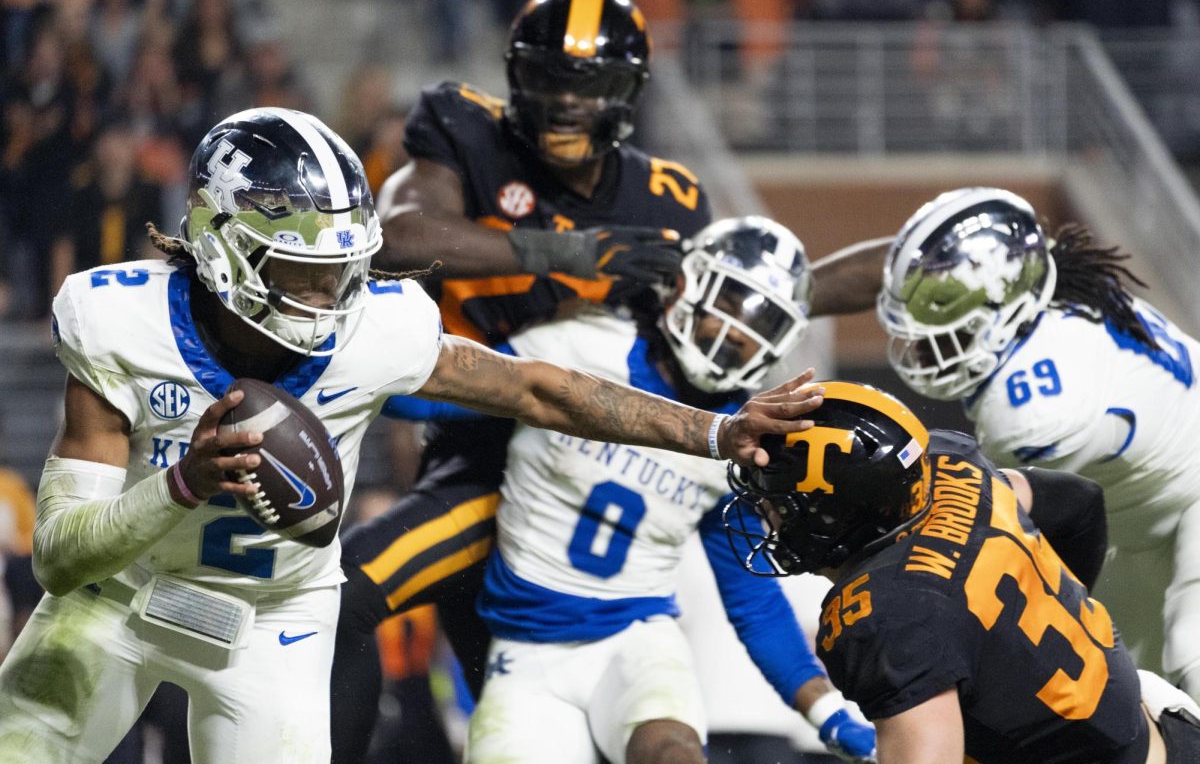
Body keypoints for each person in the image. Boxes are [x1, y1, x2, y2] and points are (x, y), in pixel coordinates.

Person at [0, 107, 823, 764]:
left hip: (274, 620)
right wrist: (183, 484)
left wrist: (715, 431)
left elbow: (540, 388)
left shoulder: (377, 327)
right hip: (115, 598)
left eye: (344, 270)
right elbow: (59, 557)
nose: (331, 297)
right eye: (303, 271)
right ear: (221, 246)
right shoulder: (118, 318)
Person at [333, 0, 713, 760]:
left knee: (353, 600)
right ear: (515, 77)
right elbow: (395, 238)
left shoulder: (670, 200)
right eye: (551, 82)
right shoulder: (465, 127)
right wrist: (567, 251)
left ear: (628, 91)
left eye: (592, 87)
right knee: (477, 697)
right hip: (475, 444)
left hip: (579, 470)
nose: (569, 106)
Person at [465, 217, 875, 763]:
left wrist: (830, 715)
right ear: (686, 285)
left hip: (637, 638)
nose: (738, 332)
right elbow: (433, 388)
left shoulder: (741, 433)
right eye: (731, 302)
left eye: (763, 320)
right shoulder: (579, 343)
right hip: (526, 650)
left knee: (673, 755)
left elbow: (751, 599)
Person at [723, 380, 1200, 762]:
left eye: (780, 501)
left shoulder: (887, 611)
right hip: (1167, 729)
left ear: (833, 512)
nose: (768, 512)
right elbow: (1079, 503)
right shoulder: (948, 466)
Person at [875, 187, 1200, 700]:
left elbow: (978, 519)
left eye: (942, 322)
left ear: (1004, 306)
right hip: (1155, 520)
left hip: (1181, 504)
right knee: (1126, 690)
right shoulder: (1051, 297)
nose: (918, 344)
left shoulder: (1028, 408)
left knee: (1191, 649)